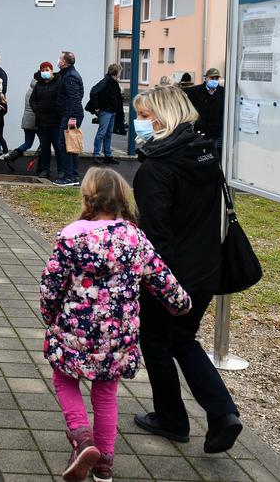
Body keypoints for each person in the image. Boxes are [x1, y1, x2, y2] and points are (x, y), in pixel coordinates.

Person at [41, 167, 191, 482]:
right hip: (117, 335)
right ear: (123, 198)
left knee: (64, 379)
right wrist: (181, 304)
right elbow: (161, 278)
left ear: (87, 197)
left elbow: (52, 283)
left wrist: (50, 312)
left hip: (74, 331)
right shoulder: (135, 237)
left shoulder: (71, 236)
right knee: (106, 392)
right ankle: (104, 463)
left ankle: (82, 437)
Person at [131, 85, 242, 453]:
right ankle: (223, 413)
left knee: (157, 343)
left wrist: (153, 279)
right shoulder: (206, 154)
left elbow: (156, 233)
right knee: (183, 340)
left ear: (163, 118)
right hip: (207, 269)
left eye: (144, 116)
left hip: (170, 274)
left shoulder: (156, 169)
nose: (138, 123)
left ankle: (172, 419)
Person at [55, 50, 85, 187]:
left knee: (65, 145)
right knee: (70, 144)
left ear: (64, 62)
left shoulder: (70, 77)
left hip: (71, 114)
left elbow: (75, 98)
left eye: (60, 58)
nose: (58, 60)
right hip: (69, 113)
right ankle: (73, 175)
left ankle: (69, 177)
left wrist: (72, 117)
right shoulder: (67, 74)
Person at [85, 63, 124, 165]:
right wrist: (97, 107)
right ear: (116, 72)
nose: (120, 74)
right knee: (102, 133)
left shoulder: (113, 82)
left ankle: (108, 155)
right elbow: (93, 92)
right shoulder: (106, 82)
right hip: (106, 111)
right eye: (120, 71)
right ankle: (96, 155)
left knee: (108, 134)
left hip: (112, 111)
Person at [186, 67, 225, 155]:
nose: (214, 80)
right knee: (198, 156)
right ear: (206, 78)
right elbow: (188, 109)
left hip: (215, 132)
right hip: (199, 131)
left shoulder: (222, 92)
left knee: (212, 156)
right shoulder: (195, 91)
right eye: (212, 78)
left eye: (216, 78)